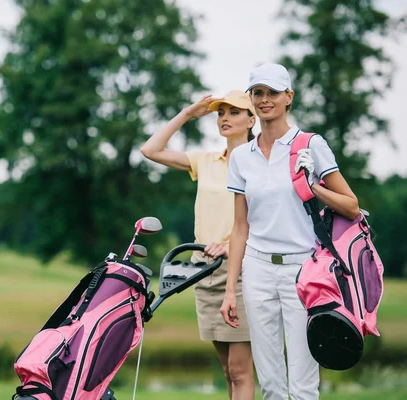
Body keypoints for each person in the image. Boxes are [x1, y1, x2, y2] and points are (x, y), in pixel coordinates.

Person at [220, 63, 360, 400]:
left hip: (303, 271)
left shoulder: (311, 145)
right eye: (258, 93)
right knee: (270, 381)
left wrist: (314, 186)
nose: (265, 100)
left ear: (289, 97)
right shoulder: (241, 157)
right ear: (252, 99)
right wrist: (229, 289)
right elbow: (241, 227)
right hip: (257, 270)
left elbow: (352, 206)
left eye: (273, 93)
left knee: (302, 382)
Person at [141, 90, 256, 399]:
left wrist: (232, 248)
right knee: (228, 372)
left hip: (244, 272)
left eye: (234, 112)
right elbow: (150, 149)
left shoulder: (260, 164)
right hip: (204, 271)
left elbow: (264, 220)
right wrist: (188, 114)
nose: (224, 118)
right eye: (221, 113)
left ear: (251, 119)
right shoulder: (205, 161)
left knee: (241, 370)